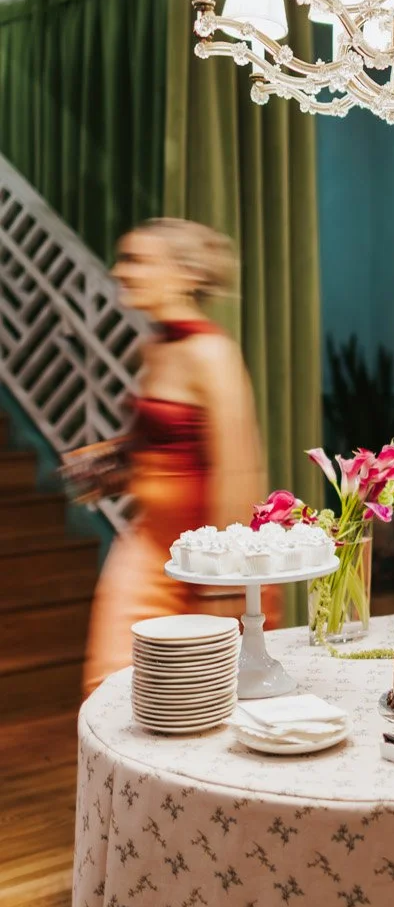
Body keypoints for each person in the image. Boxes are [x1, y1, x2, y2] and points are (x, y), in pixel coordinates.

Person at [83, 218, 274, 694]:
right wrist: (114, 464)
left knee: (200, 694)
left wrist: (224, 588)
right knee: (110, 680)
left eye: (138, 260)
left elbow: (239, 472)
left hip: (204, 564)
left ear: (184, 274)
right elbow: (161, 447)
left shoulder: (213, 353)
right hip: (148, 551)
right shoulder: (155, 346)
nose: (120, 271)